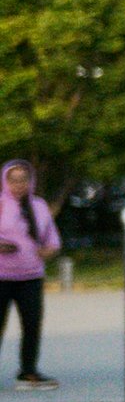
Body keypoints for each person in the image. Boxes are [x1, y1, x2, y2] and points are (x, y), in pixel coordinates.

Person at [0, 157, 53, 387]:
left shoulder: (39, 206)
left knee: (32, 324)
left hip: (31, 275)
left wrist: (48, 250)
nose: (18, 185)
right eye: (13, 180)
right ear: (5, 181)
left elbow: (51, 237)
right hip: (2, 275)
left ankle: (28, 370)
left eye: (23, 180)